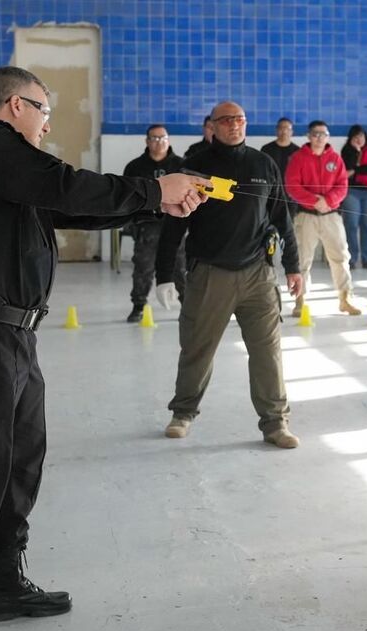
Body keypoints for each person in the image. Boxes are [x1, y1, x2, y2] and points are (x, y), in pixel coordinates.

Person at [0, 65, 207, 631]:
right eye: (44, 111)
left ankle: (3, 584)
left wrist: (158, 206)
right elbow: (65, 186)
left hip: (11, 337)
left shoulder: (4, 174)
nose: (47, 124)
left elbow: (69, 210)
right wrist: (156, 188)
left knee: (19, 463)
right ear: (15, 105)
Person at [154, 101, 303, 448]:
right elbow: (173, 226)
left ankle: (275, 423)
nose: (234, 125)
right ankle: (182, 413)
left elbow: (282, 218)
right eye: (226, 120)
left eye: (240, 119)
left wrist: (293, 266)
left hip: (258, 274)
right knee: (197, 348)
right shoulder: (195, 167)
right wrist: (164, 275)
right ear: (213, 125)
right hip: (210, 274)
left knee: (268, 351)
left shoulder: (263, 164)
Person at [284, 120, 360, 317]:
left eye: (323, 134)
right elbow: (292, 186)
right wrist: (313, 201)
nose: (319, 138)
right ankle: (300, 300)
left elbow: (342, 186)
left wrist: (328, 201)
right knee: (302, 259)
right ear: (309, 136)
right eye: (315, 134)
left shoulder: (335, 159)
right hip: (306, 216)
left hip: (331, 215)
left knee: (340, 257)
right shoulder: (298, 158)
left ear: (328, 137)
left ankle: (345, 298)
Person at [121, 124, 186, 323]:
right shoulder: (135, 167)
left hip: (175, 224)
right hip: (146, 224)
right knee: (143, 266)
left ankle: (187, 306)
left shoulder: (181, 166)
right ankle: (138, 305)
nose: (159, 142)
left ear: (169, 140)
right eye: (154, 138)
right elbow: (126, 197)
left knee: (180, 267)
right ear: (147, 141)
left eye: (162, 138)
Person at [340, 124, 367, 269]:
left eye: (361, 136)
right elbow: (346, 169)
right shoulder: (346, 151)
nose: (359, 139)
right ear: (351, 138)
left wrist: (355, 170)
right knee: (351, 225)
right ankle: (351, 258)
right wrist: (357, 153)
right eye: (356, 137)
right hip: (352, 191)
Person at [261, 117, 300, 182]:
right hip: (271, 184)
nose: (284, 131)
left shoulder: (297, 151)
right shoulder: (266, 149)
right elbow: (262, 170)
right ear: (276, 130)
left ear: (292, 132)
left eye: (287, 128)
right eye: (281, 128)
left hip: (290, 185)